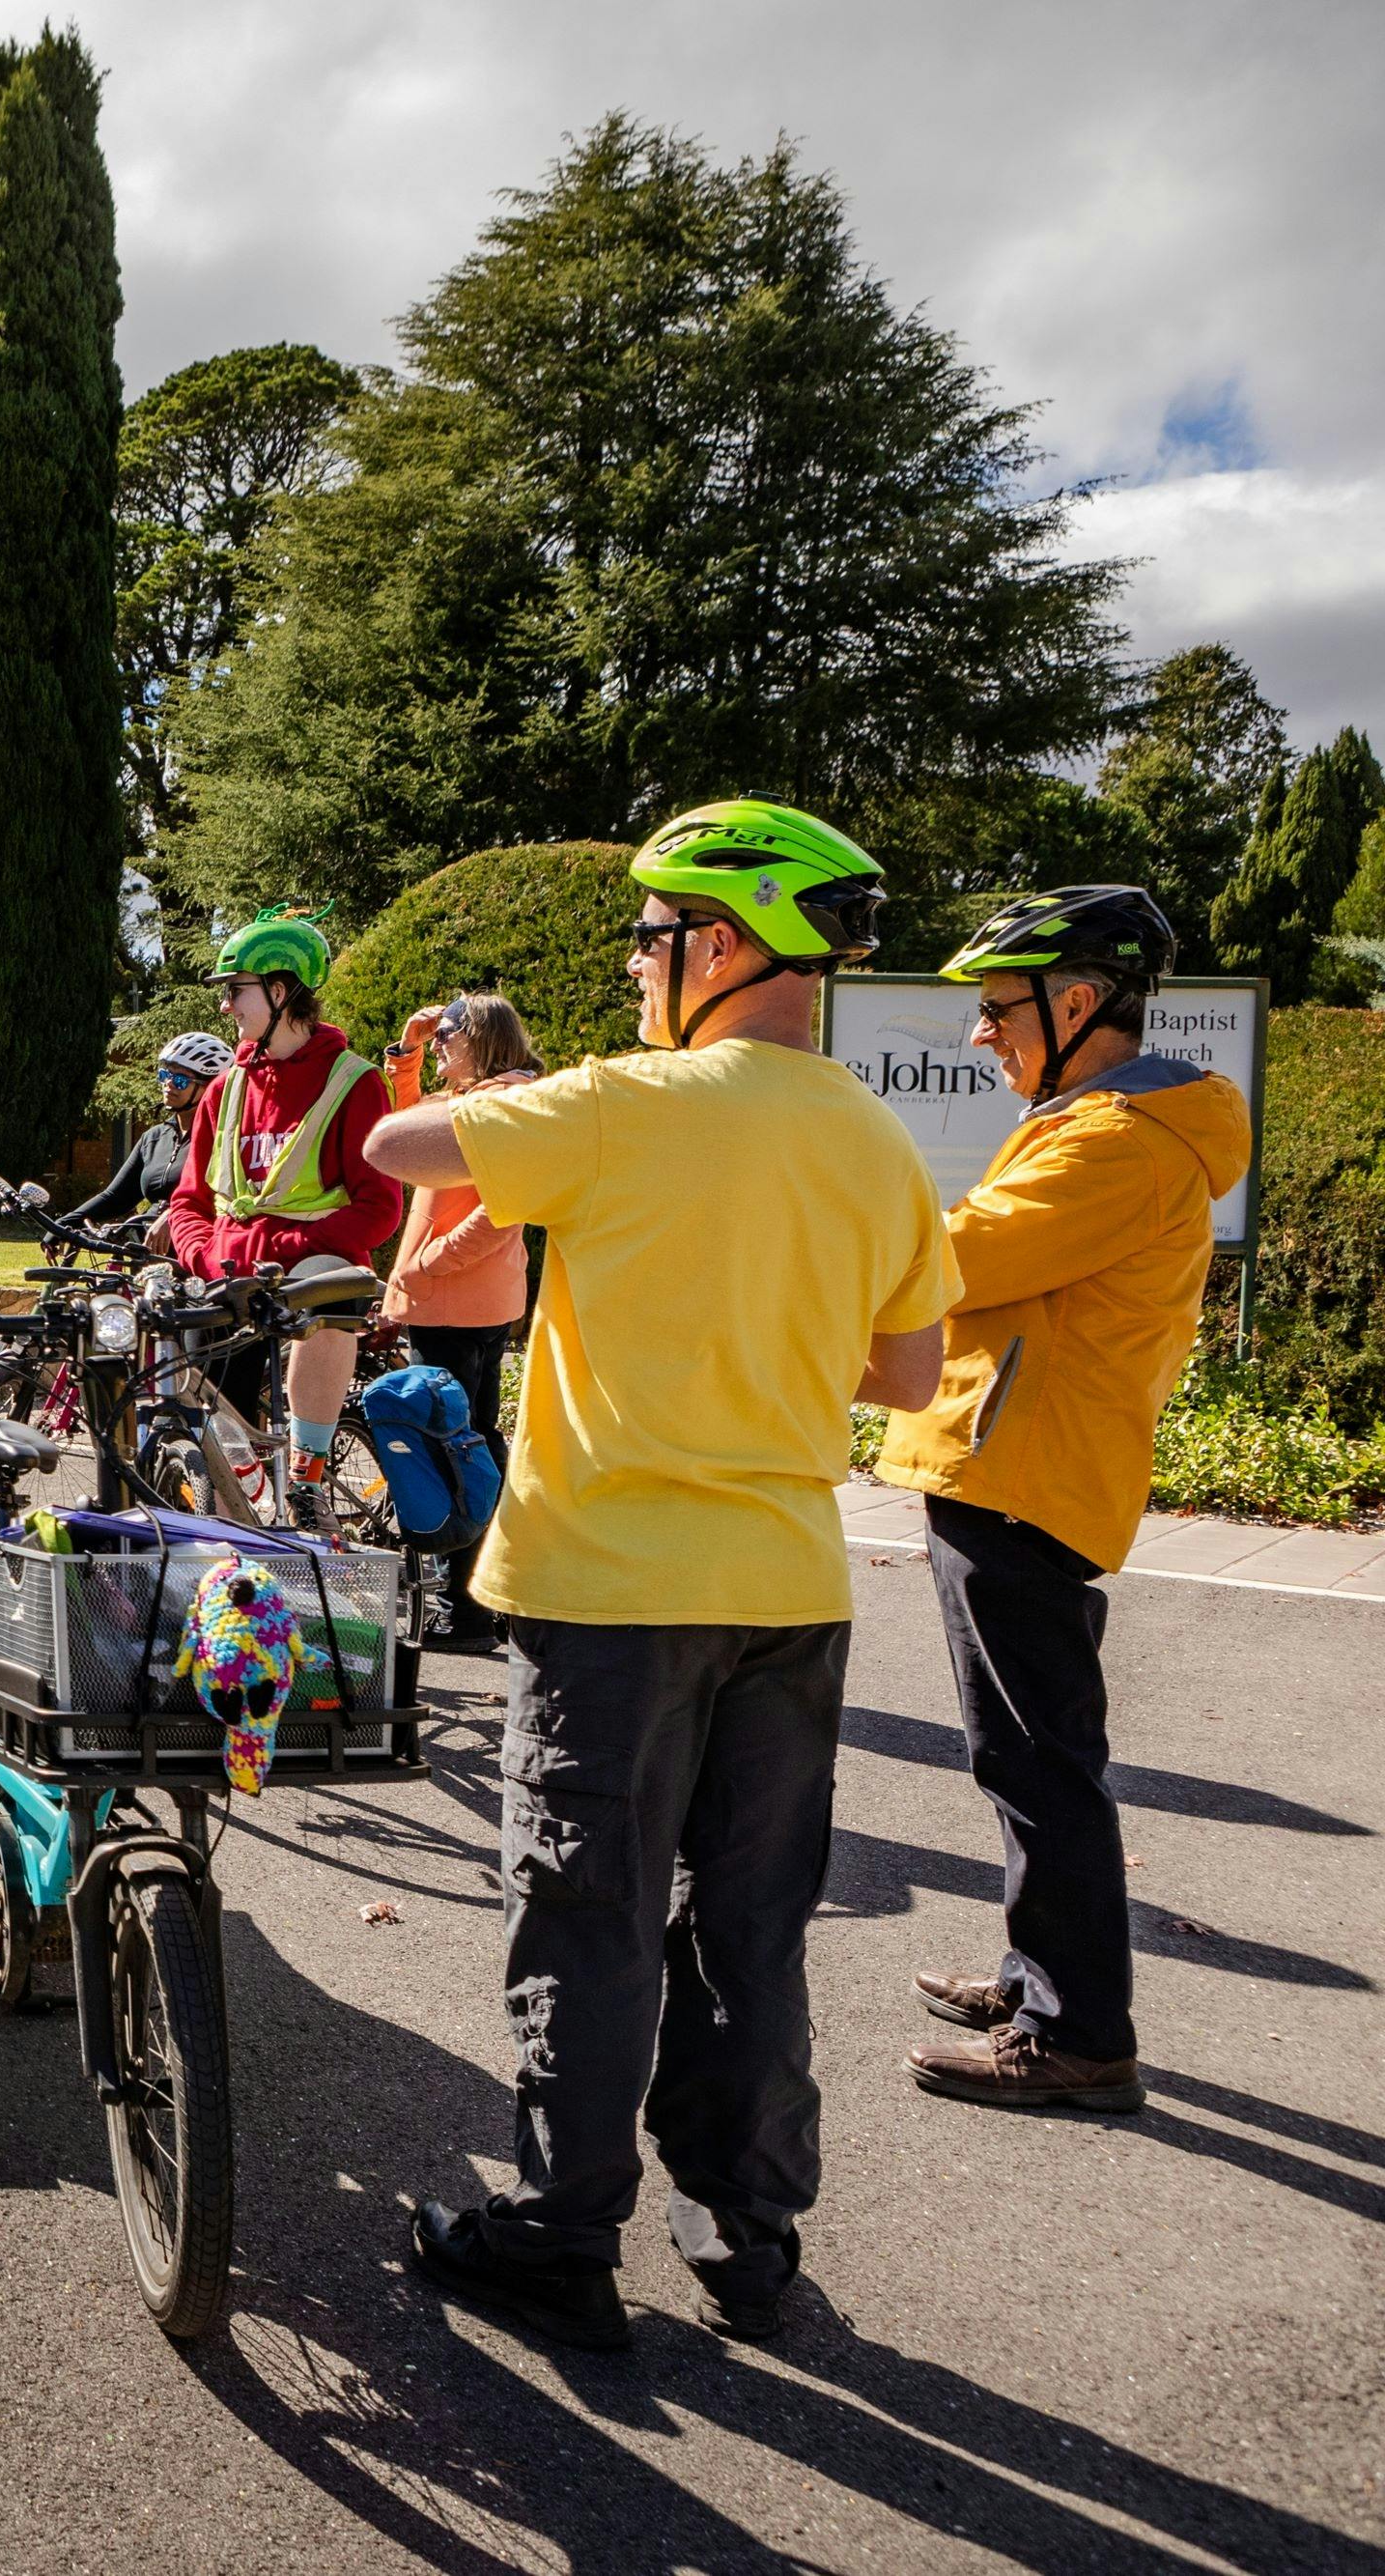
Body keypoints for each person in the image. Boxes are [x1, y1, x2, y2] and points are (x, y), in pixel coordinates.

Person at [361, 800, 959, 2349]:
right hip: (789, 1586)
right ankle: (744, 2233)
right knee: (749, 1923)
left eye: (647, 935)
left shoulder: (620, 1101)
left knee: (591, 1909)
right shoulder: (873, 1134)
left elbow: (390, 1145)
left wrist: (510, 1087)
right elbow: (907, 1372)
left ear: (720, 942)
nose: (634, 962)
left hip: (611, 1583)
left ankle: (562, 2233)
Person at [876, 886, 1248, 2116]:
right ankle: (1038, 1981)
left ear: (1076, 1001)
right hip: (1017, 1461)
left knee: (1039, 1763)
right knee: (1026, 1755)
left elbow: (959, 1259)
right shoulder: (1093, 1121)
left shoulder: (1115, 1143)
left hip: (1023, 1470)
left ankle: (1077, 2036)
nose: (980, 1032)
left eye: (998, 1009)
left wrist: (825, 1242)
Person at [167, 908, 406, 1510]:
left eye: (235, 990)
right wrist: (204, 1256)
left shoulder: (354, 1082)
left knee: (331, 1286)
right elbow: (190, 1199)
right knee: (208, 1443)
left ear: (279, 992)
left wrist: (282, 1252)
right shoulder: (225, 1087)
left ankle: (306, 1479)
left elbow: (378, 1208)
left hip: (298, 1278)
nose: (225, 1005)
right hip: (225, 1275)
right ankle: (239, 1500)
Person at [377, 993, 544, 1639]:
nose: (440, 1039)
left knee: (452, 1447)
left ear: (484, 1040)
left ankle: (466, 1608)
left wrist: (428, 1264)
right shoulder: (474, 1099)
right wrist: (409, 1048)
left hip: (455, 1303)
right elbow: (407, 1136)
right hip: (457, 1300)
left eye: (450, 1032)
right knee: (471, 1440)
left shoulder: (503, 1103)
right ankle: (483, 1596)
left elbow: (502, 1208)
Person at [84, 1030, 236, 1224]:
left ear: (212, 1087)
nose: (168, 1084)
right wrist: (60, 1227)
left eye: (181, 1080)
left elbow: (225, 1198)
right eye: (164, 1075)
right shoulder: (154, 1138)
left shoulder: (225, 1139)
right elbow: (116, 1198)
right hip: (149, 1238)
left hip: (200, 1236)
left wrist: (174, 1214)